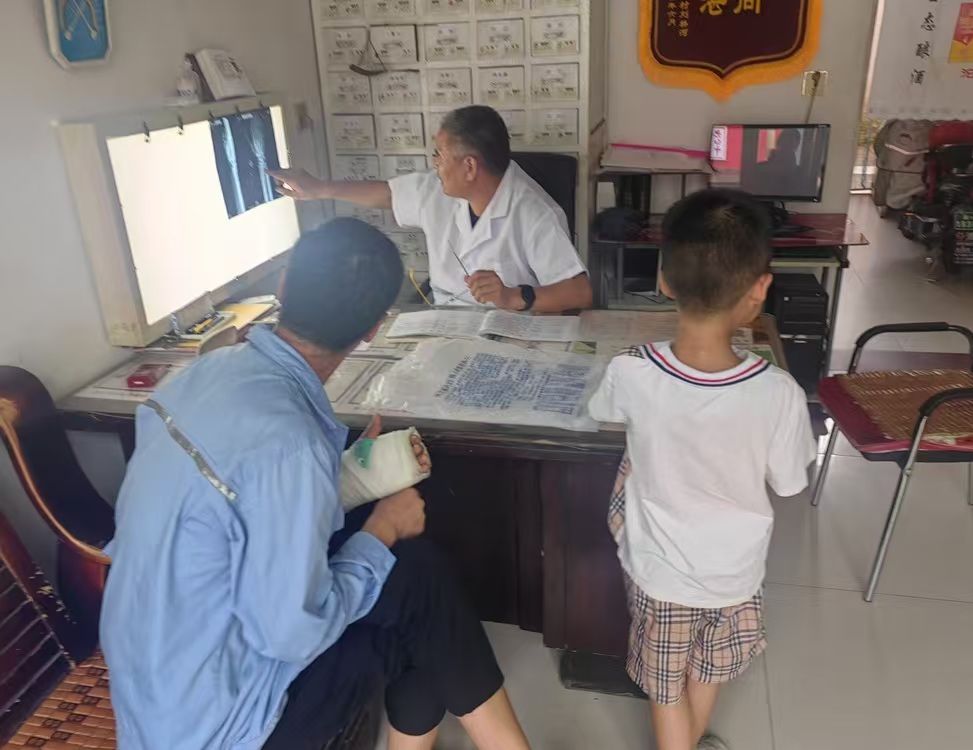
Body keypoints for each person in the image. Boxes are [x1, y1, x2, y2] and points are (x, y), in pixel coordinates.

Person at [100, 218, 532, 750]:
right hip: (224, 728)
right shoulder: (292, 446)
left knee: (419, 580)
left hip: (153, 686)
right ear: (375, 328)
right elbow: (289, 633)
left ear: (283, 287)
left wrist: (350, 473)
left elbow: (245, 510)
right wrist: (383, 528)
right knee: (422, 610)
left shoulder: (197, 376)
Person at [587, 190, 816, 750]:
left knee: (665, 688)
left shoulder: (632, 371)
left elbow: (602, 412)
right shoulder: (780, 393)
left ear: (664, 280)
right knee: (708, 669)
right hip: (734, 572)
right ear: (759, 290)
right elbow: (790, 483)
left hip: (659, 569)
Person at [268, 105, 592, 313]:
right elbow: (387, 195)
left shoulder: (535, 212)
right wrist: (320, 189)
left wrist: (511, 297)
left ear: (469, 167)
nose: (434, 164)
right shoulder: (439, 191)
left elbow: (579, 293)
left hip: (510, 330)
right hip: (445, 325)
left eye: (439, 155)